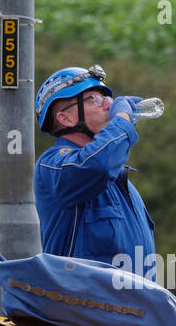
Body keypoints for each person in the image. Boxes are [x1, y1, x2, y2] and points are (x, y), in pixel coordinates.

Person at [33, 64, 156, 279]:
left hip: (131, 308)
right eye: (95, 99)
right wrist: (122, 121)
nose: (109, 104)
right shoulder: (54, 165)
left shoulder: (118, 179)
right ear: (66, 118)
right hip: (83, 309)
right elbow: (96, 165)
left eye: (107, 97)